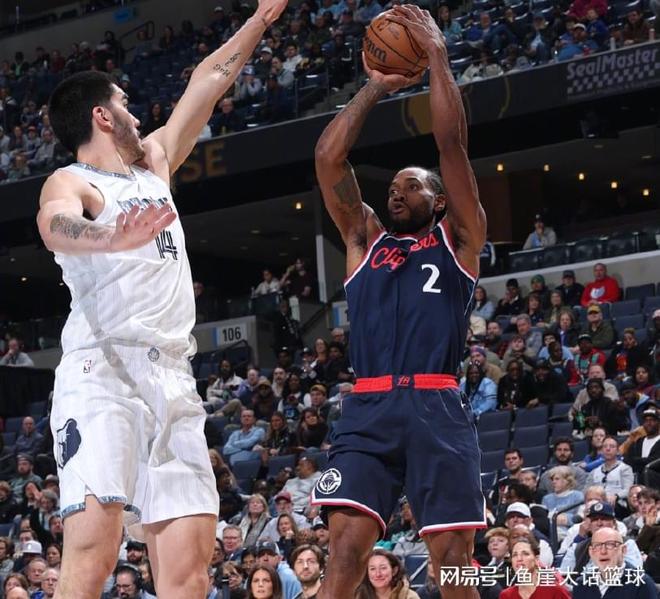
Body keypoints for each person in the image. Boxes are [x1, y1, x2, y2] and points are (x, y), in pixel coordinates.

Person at [35, 1, 289, 596]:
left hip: (172, 376)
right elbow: (53, 225)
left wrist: (261, 19)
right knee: (93, 557)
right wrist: (111, 237)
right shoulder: (72, 180)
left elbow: (207, 82)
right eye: (124, 102)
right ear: (102, 115)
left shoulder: (153, 165)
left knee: (188, 575)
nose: (135, 112)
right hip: (104, 372)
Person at [312, 7, 487, 599]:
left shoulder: (458, 240)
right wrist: (375, 87)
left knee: (453, 562)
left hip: (437, 403)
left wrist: (436, 56)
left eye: (412, 185)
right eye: (392, 186)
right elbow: (328, 159)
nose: (396, 192)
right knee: (343, 554)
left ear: (439, 202)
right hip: (369, 407)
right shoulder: (364, 241)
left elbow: (451, 144)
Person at [572, 527, 656, 599]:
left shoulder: (642, 584)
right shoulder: (581, 584)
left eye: (610, 545)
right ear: (591, 552)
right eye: (597, 546)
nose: (603, 551)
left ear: (623, 550)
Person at [499, 538, 570, 599]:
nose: (519, 558)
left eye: (525, 554)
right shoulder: (506, 595)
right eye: (515, 555)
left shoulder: (555, 590)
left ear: (536, 559)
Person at [586, 436, 634, 504]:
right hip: (596, 504)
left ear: (618, 451)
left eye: (612, 446)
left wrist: (616, 496)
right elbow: (586, 492)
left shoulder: (625, 469)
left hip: (617, 504)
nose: (608, 449)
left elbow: (628, 490)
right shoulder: (594, 472)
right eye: (605, 446)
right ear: (601, 450)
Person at [355, 549, 420, 599]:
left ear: (394, 571)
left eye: (383, 568)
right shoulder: (358, 596)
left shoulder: (409, 597)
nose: (378, 574)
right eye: (372, 569)